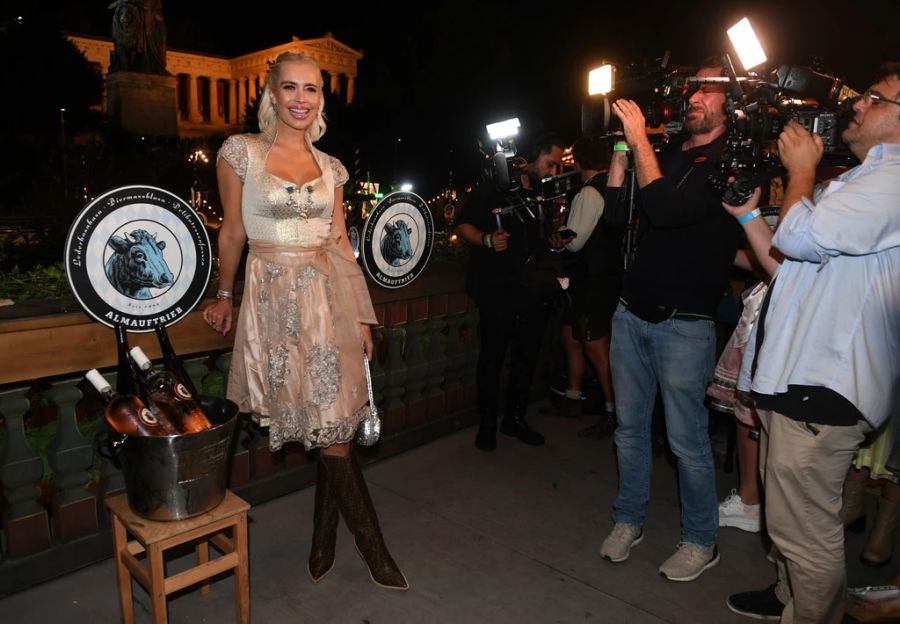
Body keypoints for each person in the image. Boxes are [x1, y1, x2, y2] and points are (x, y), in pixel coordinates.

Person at [203, 52, 408, 591]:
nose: (300, 98)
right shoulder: (240, 153)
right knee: (328, 429)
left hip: (327, 300)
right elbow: (231, 234)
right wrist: (224, 295)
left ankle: (356, 547)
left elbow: (341, 244)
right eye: (290, 88)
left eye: (311, 89)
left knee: (333, 424)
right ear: (271, 94)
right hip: (271, 301)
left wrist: (363, 318)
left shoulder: (333, 167)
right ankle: (352, 547)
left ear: (321, 97)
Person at [727, 62, 900, 623]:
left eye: (876, 98)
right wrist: (749, 213)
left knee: (808, 536)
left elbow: (801, 236)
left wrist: (800, 168)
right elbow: (790, 268)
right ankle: (789, 600)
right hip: (796, 379)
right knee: (788, 522)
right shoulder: (862, 178)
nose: (857, 103)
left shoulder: (895, 181)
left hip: (823, 385)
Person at [598, 62, 743, 582]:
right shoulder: (674, 154)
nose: (694, 97)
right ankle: (627, 520)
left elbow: (666, 210)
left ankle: (702, 541)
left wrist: (639, 139)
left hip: (685, 325)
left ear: (731, 105)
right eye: (693, 89)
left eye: (710, 90)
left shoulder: (728, 164)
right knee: (631, 431)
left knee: (687, 444)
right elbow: (618, 215)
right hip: (631, 315)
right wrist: (621, 146)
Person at [454, 133, 567, 452]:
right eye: (549, 162)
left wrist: (553, 240)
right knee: (492, 358)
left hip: (533, 291)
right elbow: (463, 225)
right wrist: (487, 240)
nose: (553, 170)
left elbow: (541, 235)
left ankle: (514, 419)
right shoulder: (495, 186)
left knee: (526, 358)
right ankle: (487, 423)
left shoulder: (544, 192)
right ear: (532, 157)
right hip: (497, 290)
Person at [546, 136, 620, 437]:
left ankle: (613, 411)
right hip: (597, 279)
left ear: (577, 162)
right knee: (571, 338)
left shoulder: (589, 193)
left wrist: (554, 234)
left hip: (590, 281)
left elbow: (574, 241)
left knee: (595, 348)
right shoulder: (609, 186)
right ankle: (573, 398)